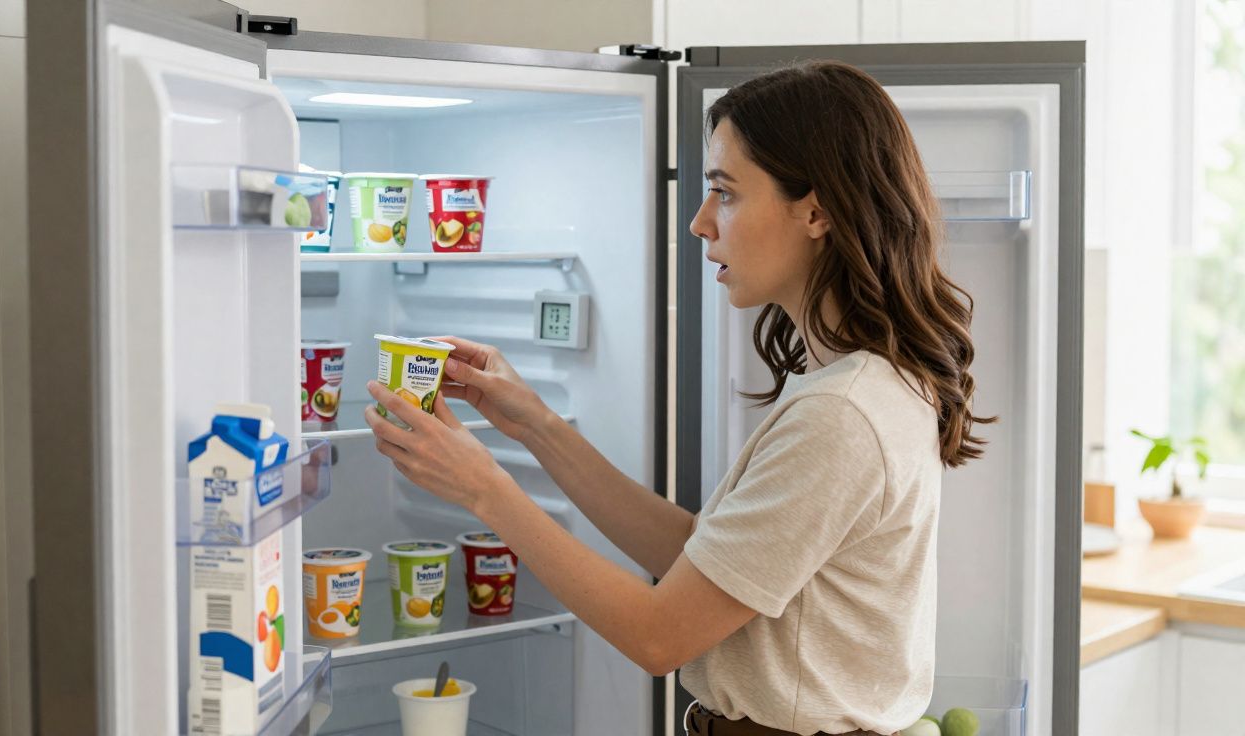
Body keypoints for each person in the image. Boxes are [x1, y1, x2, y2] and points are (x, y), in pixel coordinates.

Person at [364, 60, 991, 736]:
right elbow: (701, 557)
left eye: (724, 192)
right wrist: (536, 425)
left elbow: (660, 635)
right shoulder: (859, 384)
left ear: (816, 211)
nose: (699, 222)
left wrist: (483, 489)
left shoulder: (841, 415)